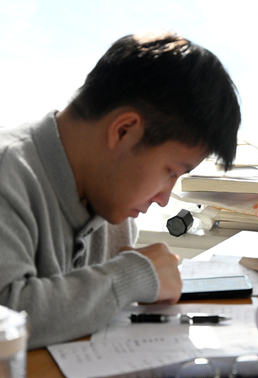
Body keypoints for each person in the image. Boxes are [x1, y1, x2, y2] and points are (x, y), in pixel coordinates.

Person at [0, 32, 240, 349]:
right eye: (171, 172)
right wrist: (133, 276)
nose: (164, 198)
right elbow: (6, 317)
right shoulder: (9, 173)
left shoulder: (112, 205)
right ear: (124, 131)